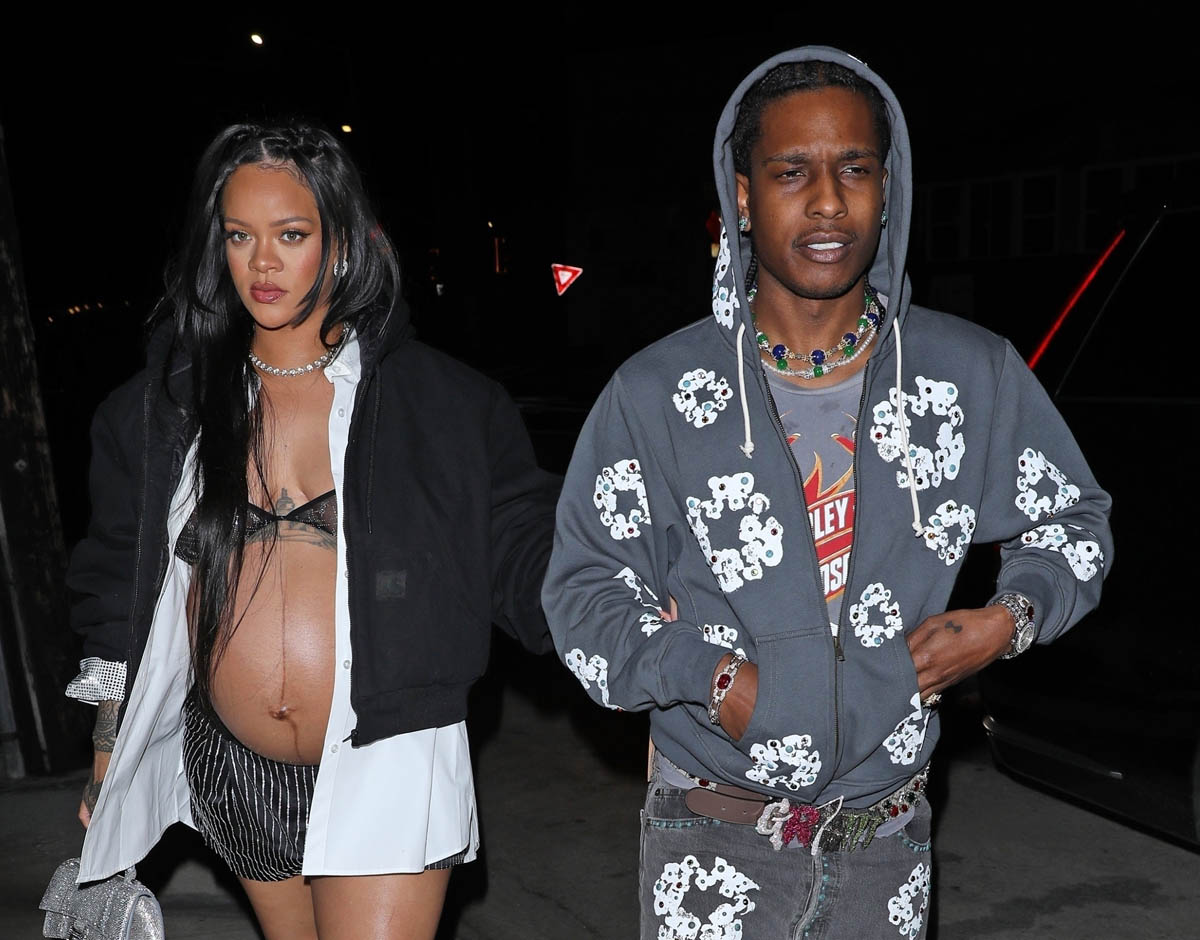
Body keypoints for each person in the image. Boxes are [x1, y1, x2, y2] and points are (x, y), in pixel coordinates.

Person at [542, 46, 1112, 939]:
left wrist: (1004, 623)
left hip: (885, 841)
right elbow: (583, 594)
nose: (827, 202)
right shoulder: (659, 393)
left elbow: (1073, 521)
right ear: (742, 196)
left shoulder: (968, 374)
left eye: (854, 169)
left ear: (888, 189)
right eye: (790, 172)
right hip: (712, 836)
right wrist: (714, 679)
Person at [65, 121, 558, 940]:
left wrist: (612, 611)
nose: (262, 263)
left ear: (344, 242)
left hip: (386, 758)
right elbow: (120, 577)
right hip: (233, 765)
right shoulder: (166, 407)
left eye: (290, 235)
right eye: (240, 237)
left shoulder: (441, 404)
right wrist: (108, 748)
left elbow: (521, 544)